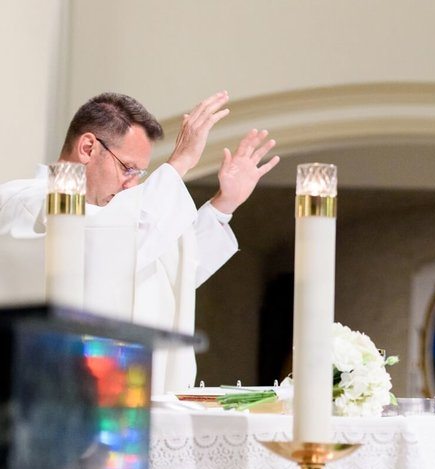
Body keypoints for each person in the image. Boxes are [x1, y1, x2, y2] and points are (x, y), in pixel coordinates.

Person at [0, 91, 279, 392]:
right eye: (127, 168)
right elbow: (107, 252)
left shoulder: (119, 226)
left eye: (139, 173)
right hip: (44, 395)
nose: (131, 183)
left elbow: (168, 268)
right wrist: (180, 162)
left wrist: (224, 204)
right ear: (88, 147)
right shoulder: (25, 201)